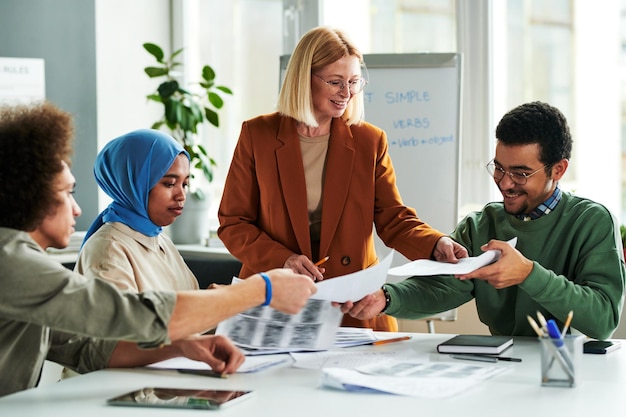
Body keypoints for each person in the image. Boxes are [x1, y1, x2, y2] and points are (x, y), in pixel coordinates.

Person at [0, 101, 317, 397]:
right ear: (30, 195)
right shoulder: (13, 264)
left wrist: (180, 346)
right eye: (68, 192)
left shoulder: (23, 260)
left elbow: (87, 348)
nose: (78, 209)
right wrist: (260, 290)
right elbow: (130, 315)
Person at [217, 26, 468, 332]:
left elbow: (393, 218)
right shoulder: (258, 135)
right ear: (302, 79)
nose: (346, 93)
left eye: (353, 82)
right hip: (275, 298)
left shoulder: (369, 141)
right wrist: (282, 260)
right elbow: (234, 222)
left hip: (351, 302)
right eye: (335, 82)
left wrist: (436, 242)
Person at [341, 101, 625, 340]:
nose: (504, 183)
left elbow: (603, 321)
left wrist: (528, 274)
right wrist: (387, 298)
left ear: (559, 169)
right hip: (499, 365)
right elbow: (445, 288)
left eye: (521, 173)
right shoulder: (481, 224)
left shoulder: (592, 222)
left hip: (570, 369)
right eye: (499, 168)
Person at [76, 129, 198, 292]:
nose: (182, 196)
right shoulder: (109, 251)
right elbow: (127, 317)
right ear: (134, 183)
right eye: (169, 184)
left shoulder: (159, 239)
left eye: (185, 184)